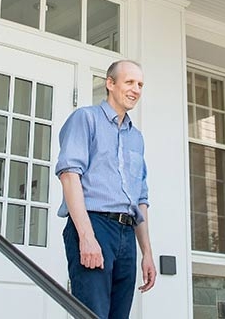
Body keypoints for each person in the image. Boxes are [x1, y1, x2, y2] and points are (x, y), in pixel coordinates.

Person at [55, 60, 156, 319]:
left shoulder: (137, 137)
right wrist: (87, 237)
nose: (136, 89)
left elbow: (140, 199)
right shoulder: (85, 119)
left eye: (140, 84)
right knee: (93, 314)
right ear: (110, 84)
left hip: (127, 233)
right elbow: (69, 176)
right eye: (129, 82)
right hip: (94, 225)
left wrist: (147, 253)